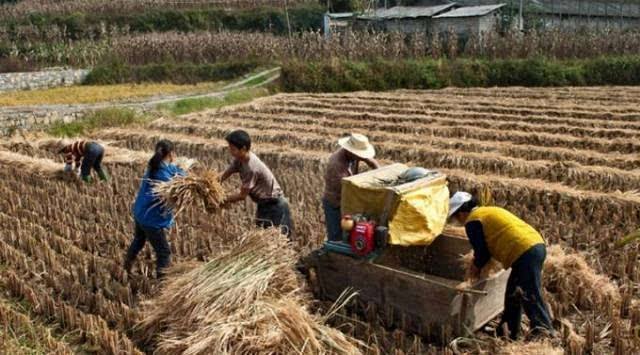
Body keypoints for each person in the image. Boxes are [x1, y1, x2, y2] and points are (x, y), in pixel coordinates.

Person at [448, 192, 554, 340]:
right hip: (534, 245)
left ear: (462, 212)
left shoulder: (473, 221)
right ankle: (507, 333)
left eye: (456, 216)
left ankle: (544, 331)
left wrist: (475, 270)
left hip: (524, 251)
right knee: (513, 294)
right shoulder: (486, 211)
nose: (457, 220)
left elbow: (482, 252)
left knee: (529, 293)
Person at [124, 140, 185, 278]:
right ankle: (162, 283)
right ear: (171, 154)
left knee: (139, 239)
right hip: (151, 219)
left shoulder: (155, 166)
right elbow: (175, 188)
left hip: (141, 213)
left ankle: (127, 264)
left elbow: (176, 171)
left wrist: (182, 173)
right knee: (164, 252)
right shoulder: (162, 175)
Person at [220, 130, 293, 238]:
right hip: (263, 204)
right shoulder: (240, 159)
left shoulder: (251, 167)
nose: (230, 151)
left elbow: (242, 196)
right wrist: (210, 183)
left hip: (275, 206)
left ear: (243, 149)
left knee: (280, 240)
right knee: (263, 238)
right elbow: (226, 173)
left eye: (233, 149)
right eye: (230, 148)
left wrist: (222, 200)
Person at [322, 133, 379, 241]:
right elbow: (348, 191)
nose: (361, 157)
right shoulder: (337, 165)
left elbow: (371, 161)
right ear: (350, 151)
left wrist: (380, 172)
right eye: (359, 155)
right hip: (335, 202)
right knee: (336, 236)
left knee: (352, 233)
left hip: (348, 198)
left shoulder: (352, 155)